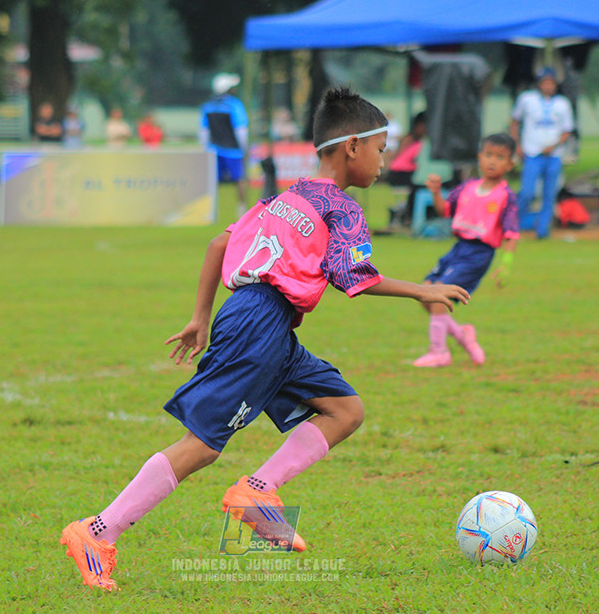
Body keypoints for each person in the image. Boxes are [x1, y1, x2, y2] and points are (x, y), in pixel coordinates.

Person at [59, 87, 470, 592]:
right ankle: (97, 531)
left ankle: (257, 489)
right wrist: (421, 290)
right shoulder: (341, 208)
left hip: (261, 322)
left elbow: (219, 243)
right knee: (203, 445)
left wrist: (201, 318)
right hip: (260, 325)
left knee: (345, 410)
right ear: (352, 147)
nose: (384, 161)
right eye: (382, 148)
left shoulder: (288, 195)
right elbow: (352, 276)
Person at [413, 133, 520, 368]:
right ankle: (463, 335)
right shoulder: (467, 188)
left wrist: (506, 264)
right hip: (458, 247)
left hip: (479, 253)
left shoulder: (506, 196)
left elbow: (512, 233)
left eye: (500, 157)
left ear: (510, 163)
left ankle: (439, 352)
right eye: (488, 155)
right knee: (426, 293)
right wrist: (435, 192)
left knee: (439, 294)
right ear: (480, 157)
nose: (492, 161)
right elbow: (445, 210)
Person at [509, 67, 574, 239]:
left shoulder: (562, 103)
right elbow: (514, 121)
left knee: (549, 194)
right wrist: (517, 145)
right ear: (538, 84)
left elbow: (567, 130)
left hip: (553, 155)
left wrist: (553, 146)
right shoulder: (527, 99)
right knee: (527, 192)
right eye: (544, 82)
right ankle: (514, 225)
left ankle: (542, 231)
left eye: (550, 82)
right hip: (532, 153)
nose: (547, 86)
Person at [200, 73, 249, 216]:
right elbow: (240, 129)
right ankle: (241, 209)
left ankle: (211, 211)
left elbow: (204, 131)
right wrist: (244, 148)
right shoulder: (234, 105)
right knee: (239, 180)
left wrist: (205, 149)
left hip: (213, 149)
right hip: (233, 150)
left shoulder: (207, 106)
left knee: (212, 181)